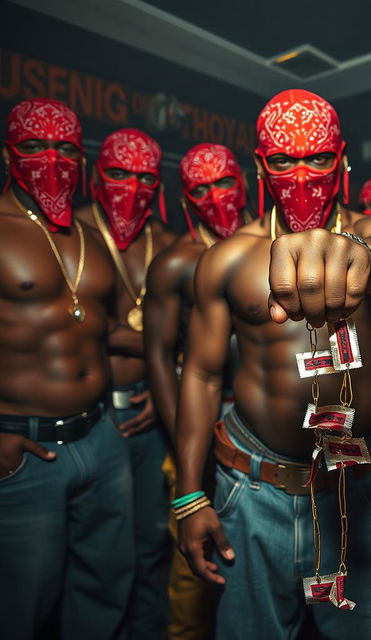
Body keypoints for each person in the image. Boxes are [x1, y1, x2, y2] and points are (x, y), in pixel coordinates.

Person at [175, 89, 371, 639]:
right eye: (284, 160)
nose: (302, 174)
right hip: (254, 489)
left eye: (318, 157)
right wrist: (188, 494)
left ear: (343, 159)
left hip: (357, 487)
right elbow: (199, 373)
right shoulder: (227, 258)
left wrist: (366, 256)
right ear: (260, 166)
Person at [0, 99, 134, 639]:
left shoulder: (88, 235)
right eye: (34, 147)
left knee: (106, 588)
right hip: (24, 449)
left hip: (101, 436)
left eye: (65, 150)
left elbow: (108, 327)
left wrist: (195, 351)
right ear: (9, 154)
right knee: (22, 604)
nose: (51, 161)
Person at [144, 142, 251, 640]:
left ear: (245, 181)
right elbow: (162, 358)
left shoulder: (269, 246)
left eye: (223, 182)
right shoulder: (175, 263)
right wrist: (183, 437)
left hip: (258, 431)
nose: (215, 196)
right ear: (185, 199)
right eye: (200, 189)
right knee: (193, 572)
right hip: (199, 420)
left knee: (252, 568)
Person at [76, 128, 175, 639]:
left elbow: (192, 335)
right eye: (118, 174)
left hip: (152, 411)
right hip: (93, 417)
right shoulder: (73, 232)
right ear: (95, 173)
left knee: (151, 541)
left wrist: (166, 387)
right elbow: (80, 329)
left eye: (143, 178)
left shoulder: (170, 241)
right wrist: (162, 344)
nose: (130, 187)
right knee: (97, 555)